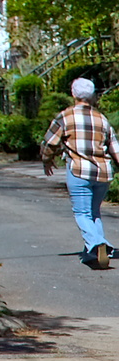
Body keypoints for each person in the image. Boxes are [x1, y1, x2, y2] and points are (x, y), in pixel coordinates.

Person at [41, 78, 119, 269]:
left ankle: (98, 244)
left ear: (74, 94)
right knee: (94, 212)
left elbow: (50, 142)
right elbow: (115, 147)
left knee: (82, 213)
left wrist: (46, 160)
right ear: (92, 96)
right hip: (102, 172)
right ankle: (93, 252)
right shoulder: (102, 118)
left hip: (78, 170)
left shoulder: (65, 116)